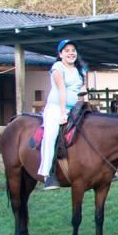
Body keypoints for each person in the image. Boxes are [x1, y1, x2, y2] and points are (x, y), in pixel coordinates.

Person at [38, 39, 88, 189]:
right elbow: (61, 90)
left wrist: (84, 104)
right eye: (66, 51)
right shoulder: (57, 67)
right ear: (60, 54)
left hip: (75, 108)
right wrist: (62, 113)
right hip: (56, 107)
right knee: (50, 134)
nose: (70, 53)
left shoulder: (82, 69)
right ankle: (47, 173)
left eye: (73, 50)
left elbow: (82, 91)